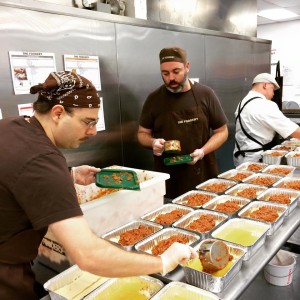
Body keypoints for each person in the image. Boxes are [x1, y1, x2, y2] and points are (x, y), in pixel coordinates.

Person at [0, 71, 197, 300]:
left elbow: (17, 174)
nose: (93, 131)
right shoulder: (42, 161)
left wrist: (69, 175)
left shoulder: (13, 125)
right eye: (87, 122)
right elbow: (88, 255)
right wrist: (163, 261)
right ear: (58, 113)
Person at [137, 47, 228, 199]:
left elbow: (222, 131)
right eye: (165, 73)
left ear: (187, 67)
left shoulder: (205, 94)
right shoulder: (154, 99)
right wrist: (153, 143)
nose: (170, 78)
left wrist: (203, 151)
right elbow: (142, 134)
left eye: (176, 71)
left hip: (202, 176)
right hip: (168, 180)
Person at [233, 72, 300, 166]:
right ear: (265, 85)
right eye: (272, 89)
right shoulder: (264, 105)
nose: (273, 94)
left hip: (240, 157)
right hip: (255, 160)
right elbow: (293, 130)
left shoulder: (242, 103)